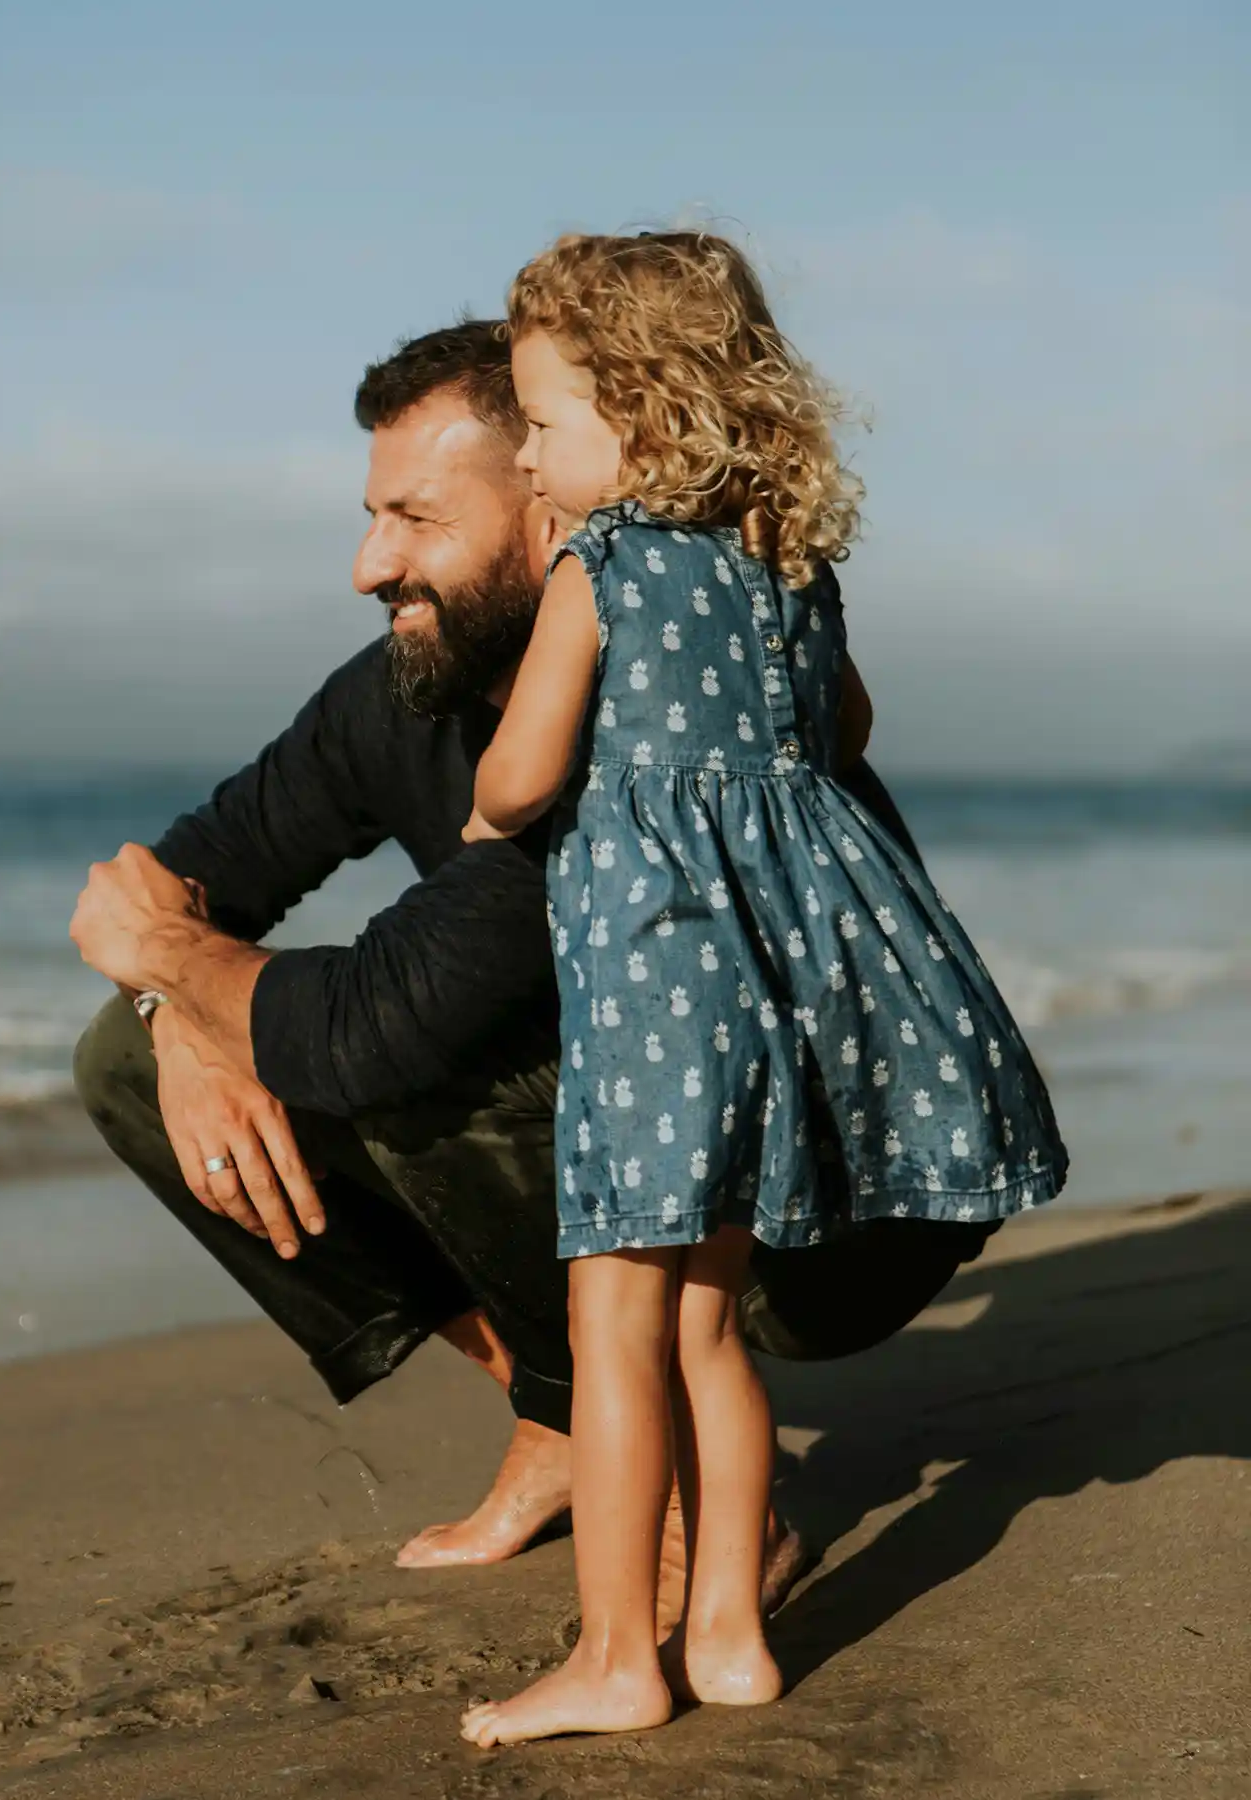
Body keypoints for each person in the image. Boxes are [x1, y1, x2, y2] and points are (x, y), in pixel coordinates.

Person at [68, 317, 1009, 1632]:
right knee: (125, 1058)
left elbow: (371, 1030)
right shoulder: (408, 682)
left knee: (406, 1058)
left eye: (415, 520)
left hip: (836, 1206)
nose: (368, 565)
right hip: (652, 1145)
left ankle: (696, 1503)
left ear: (554, 507)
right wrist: (174, 1014)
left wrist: (179, 965)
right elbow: (173, 882)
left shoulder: (645, 721)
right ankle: (568, 1418)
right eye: (370, 516)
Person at [457, 232, 1067, 1749]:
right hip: (763, 990)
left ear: (643, 414)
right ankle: (727, 1633)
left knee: (614, 1325)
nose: (525, 456)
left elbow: (520, 777)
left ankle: (618, 1655)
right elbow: (844, 725)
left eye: (543, 421)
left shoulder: (602, 567)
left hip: (651, 986)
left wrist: (489, 807)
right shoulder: (789, 563)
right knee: (709, 1330)